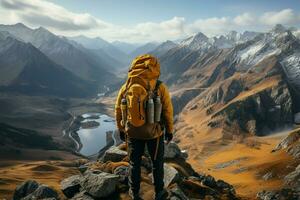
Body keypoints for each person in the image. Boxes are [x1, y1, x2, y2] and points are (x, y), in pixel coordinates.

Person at [115, 54, 174, 200]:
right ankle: (159, 192)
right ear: (155, 68)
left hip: (133, 132)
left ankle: (134, 193)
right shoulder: (160, 87)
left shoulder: (127, 86)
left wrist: (121, 129)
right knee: (157, 164)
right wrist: (169, 130)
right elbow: (167, 110)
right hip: (154, 133)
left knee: (134, 163)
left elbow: (118, 108)